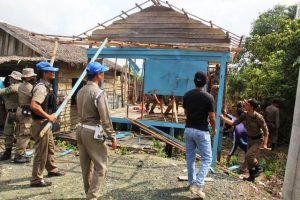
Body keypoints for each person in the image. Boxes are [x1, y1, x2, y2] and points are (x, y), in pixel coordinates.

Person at [76, 61, 117, 200]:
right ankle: (92, 196)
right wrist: (112, 136)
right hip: (92, 131)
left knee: (86, 166)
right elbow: (105, 118)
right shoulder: (98, 93)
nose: (103, 74)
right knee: (101, 167)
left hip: (80, 129)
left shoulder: (80, 91)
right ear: (98, 75)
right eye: (102, 72)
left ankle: (88, 192)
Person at [30, 61, 65, 187]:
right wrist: (48, 116)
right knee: (41, 151)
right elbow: (34, 106)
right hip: (41, 123)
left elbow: (46, 103)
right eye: (51, 71)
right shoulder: (41, 87)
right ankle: (36, 179)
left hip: (45, 123)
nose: (53, 73)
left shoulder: (46, 86)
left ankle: (52, 169)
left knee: (50, 147)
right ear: (45, 73)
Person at [183, 71, 215, 198]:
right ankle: (198, 183)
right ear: (206, 82)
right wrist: (213, 129)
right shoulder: (208, 97)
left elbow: (186, 113)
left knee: (190, 158)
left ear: (194, 81)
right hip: (201, 131)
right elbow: (212, 117)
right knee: (207, 159)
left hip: (189, 129)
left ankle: (191, 183)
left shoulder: (187, 95)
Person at [221, 99, 269, 182]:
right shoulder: (244, 115)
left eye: (247, 104)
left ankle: (259, 167)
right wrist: (223, 118)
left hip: (258, 140)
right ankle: (251, 177)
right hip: (249, 138)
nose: (245, 105)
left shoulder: (259, 118)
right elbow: (234, 123)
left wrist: (265, 144)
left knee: (248, 156)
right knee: (249, 159)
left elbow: (266, 132)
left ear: (251, 107)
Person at [14, 68, 37, 163]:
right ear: (28, 77)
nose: (34, 77)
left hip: (20, 109)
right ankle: (19, 155)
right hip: (25, 112)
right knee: (24, 133)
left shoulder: (20, 85)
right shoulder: (29, 87)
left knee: (20, 132)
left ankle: (21, 153)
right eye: (32, 76)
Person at [0, 71, 22, 161]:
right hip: (11, 112)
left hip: (16, 113)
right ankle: (10, 152)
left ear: (16, 79)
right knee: (8, 132)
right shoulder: (14, 86)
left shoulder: (16, 86)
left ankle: (17, 154)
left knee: (16, 133)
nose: (10, 79)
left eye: (12, 78)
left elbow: (3, 91)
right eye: (10, 78)